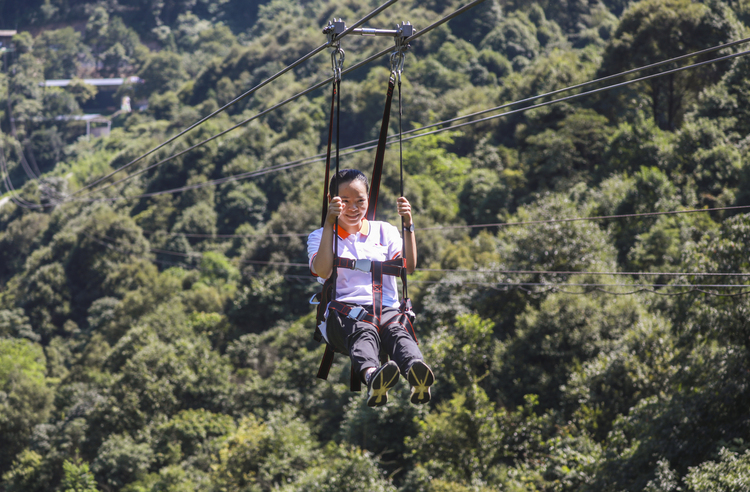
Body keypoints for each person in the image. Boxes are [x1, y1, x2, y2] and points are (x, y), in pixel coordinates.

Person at [308, 169, 435, 407]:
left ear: (368, 199)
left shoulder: (384, 231)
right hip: (345, 313)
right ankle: (372, 376)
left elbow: (409, 266)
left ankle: (416, 374)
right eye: (344, 202)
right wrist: (328, 223)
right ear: (332, 201)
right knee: (363, 332)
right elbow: (323, 270)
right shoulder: (321, 236)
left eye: (360, 201)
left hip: (387, 309)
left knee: (398, 332)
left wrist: (408, 224)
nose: (353, 208)